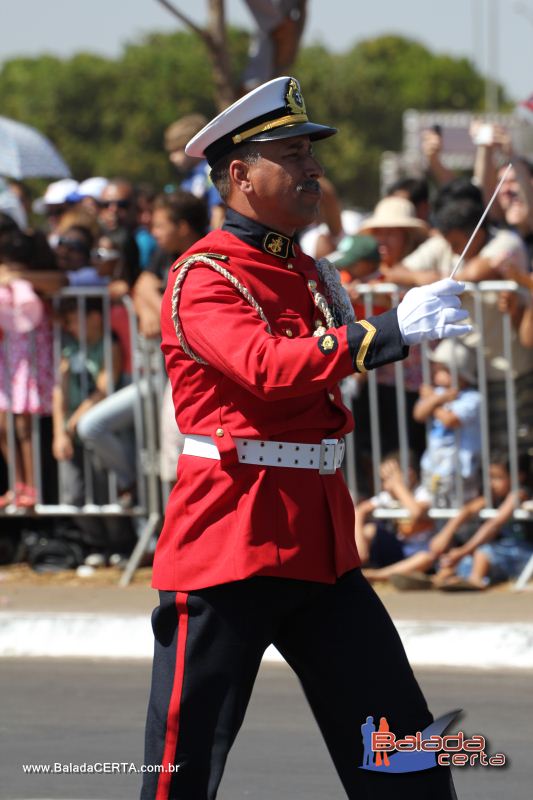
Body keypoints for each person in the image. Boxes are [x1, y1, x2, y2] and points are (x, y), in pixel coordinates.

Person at [140, 76, 468, 800]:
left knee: (400, 751)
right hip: (229, 541)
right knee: (180, 771)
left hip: (317, 541)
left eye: (309, 153)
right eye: (291, 154)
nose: (312, 169)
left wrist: (401, 324)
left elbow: (318, 364)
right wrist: (386, 331)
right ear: (239, 175)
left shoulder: (306, 273)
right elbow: (267, 368)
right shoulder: (205, 275)